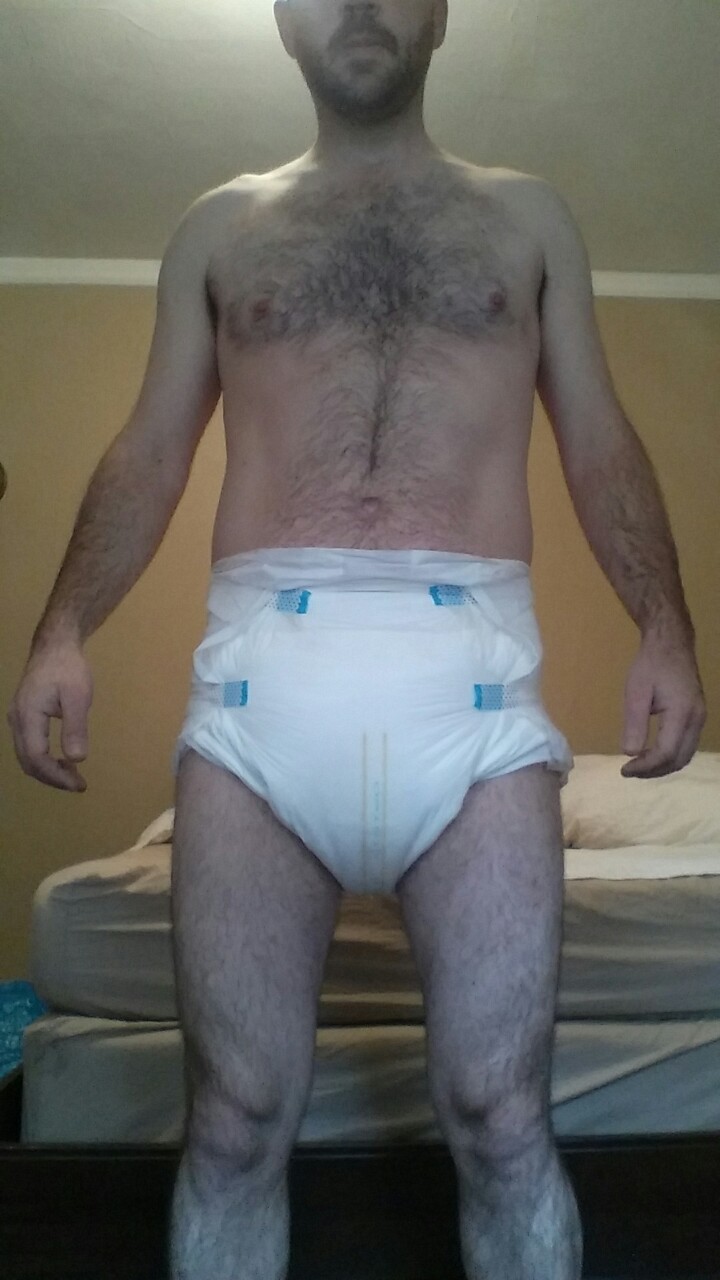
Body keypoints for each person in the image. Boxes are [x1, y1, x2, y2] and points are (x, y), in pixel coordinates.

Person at [7, 1, 706, 1277]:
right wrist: (62, 628)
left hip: (475, 702)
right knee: (232, 1123)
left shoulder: (528, 218)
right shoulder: (220, 227)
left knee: (502, 1117)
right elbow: (152, 447)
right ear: (284, 19)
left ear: (441, 13)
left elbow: (598, 437)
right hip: (260, 704)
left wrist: (665, 624)